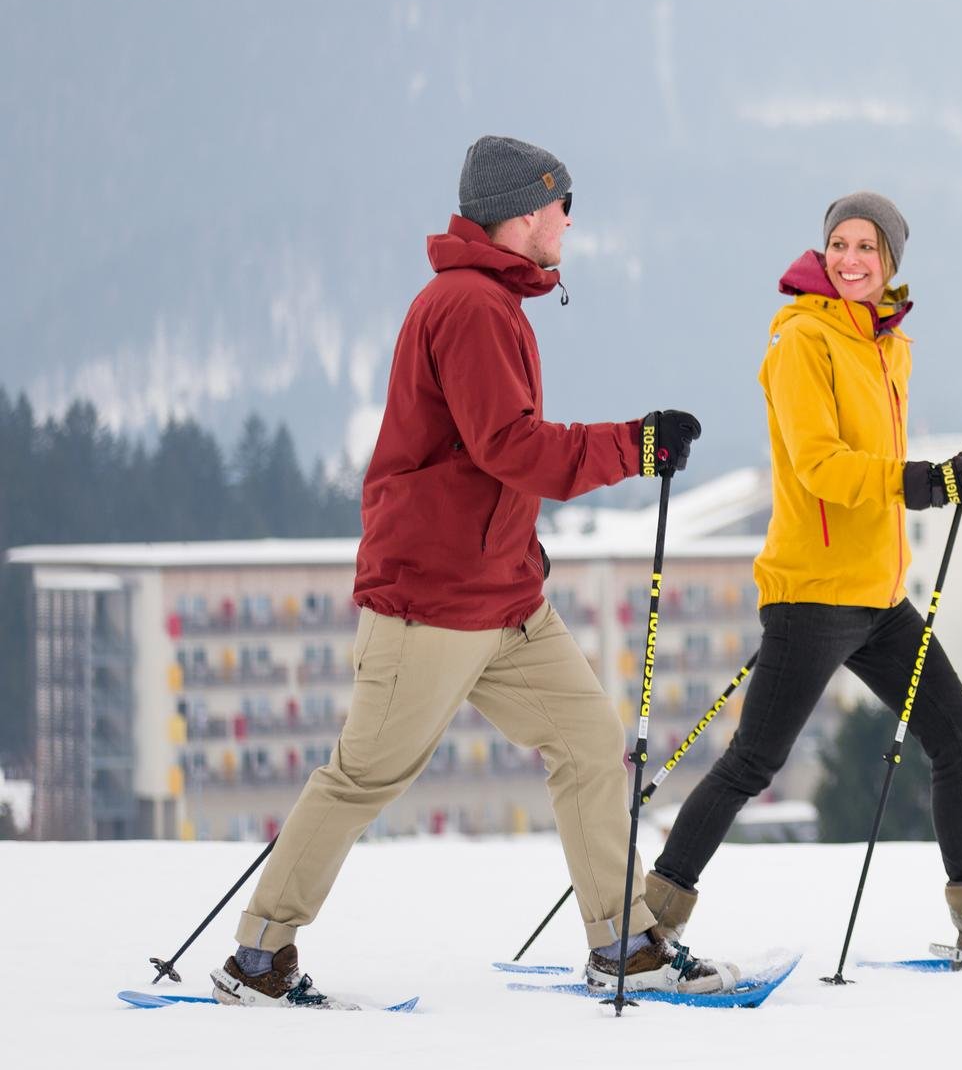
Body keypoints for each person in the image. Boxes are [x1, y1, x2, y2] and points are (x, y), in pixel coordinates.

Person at [211, 135, 731, 1006]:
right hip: (434, 604)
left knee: (591, 745)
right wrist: (634, 445)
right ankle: (259, 956)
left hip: (504, 601)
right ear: (527, 211)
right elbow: (510, 447)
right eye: (564, 204)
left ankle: (623, 941)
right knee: (365, 775)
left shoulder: (493, 304)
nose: (570, 220)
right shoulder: (469, 307)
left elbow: (487, 457)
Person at [642, 191, 962, 970]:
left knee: (960, 741)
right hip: (811, 592)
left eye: (866, 247)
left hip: (878, 598)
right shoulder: (802, 340)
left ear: (891, 263)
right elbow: (822, 467)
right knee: (754, 763)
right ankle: (643, 929)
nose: (849, 259)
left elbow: (884, 465)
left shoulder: (888, 347)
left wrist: (949, 475)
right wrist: (925, 482)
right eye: (839, 243)